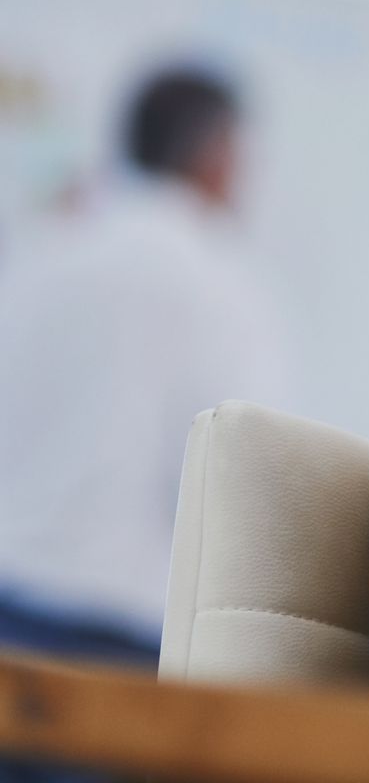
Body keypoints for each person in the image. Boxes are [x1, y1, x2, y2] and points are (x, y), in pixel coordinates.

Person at [0, 66, 292, 661]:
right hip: (116, 640)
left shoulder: (48, 251)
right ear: (219, 153)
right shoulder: (222, 284)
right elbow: (242, 484)